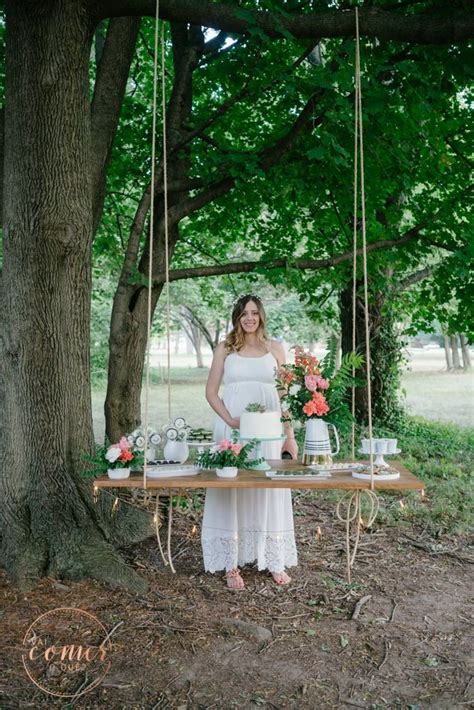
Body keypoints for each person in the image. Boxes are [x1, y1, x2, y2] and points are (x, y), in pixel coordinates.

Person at [201, 294, 298, 590]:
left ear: (261, 316)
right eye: (244, 313)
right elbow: (211, 392)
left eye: (254, 312)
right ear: (236, 317)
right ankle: (231, 563)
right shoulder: (225, 349)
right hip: (233, 431)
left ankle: (272, 558)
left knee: (268, 487)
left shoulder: (276, 349)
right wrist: (229, 419)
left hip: (269, 431)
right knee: (231, 489)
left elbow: (285, 397)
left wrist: (290, 436)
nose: (249, 318)